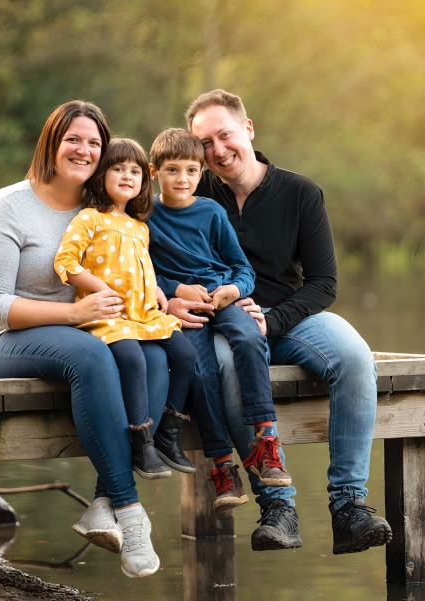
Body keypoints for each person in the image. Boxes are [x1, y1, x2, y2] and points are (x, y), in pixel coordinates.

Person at [168, 89, 393, 555]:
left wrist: (272, 320)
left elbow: (324, 282)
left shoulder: (300, 193)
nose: (216, 151)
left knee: (353, 356)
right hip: (224, 325)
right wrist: (173, 296)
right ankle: (278, 508)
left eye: (224, 135)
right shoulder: (193, 191)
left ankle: (349, 506)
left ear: (248, 129)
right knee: (229, 369)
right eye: (204, 143)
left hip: (290, 318)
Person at [0, 101, 162, 579]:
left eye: (95, 142)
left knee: (155, 355)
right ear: (51, 143)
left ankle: (102, 502)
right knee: (93, 355)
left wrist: (169, 296)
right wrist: (74, 312)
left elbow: (136, 270)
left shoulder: (102, 210)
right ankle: (132, 515)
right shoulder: (10, 204)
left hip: (87, 335)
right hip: (3, 342)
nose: (84, 150)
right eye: (74, 139)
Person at [146, 128, 291, 514]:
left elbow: (242, 267)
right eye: (172, 170)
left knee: (248, 338)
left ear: (201, 173)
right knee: (198, 368)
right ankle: (222, 466)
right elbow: (142, 275)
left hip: (222, 296)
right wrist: (175, 290)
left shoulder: (211, 211)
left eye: (192, 171)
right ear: (153, 171)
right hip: (185, 308)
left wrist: (233, 289)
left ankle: (267, 442)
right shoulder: (145, 217)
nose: (182, 179)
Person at [54, 138, 197, 480]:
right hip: (110, 315)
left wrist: (160, 295)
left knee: (186, 355)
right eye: (117, 168)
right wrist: (99, 288)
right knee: (132, 358)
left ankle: (168, 433)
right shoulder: (90, 219)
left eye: (135, 171)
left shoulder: (140, 227)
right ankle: (140, 440)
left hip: (144, 314)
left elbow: (142, 269)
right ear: (101, 174)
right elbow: (65, 261)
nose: (127, 176)